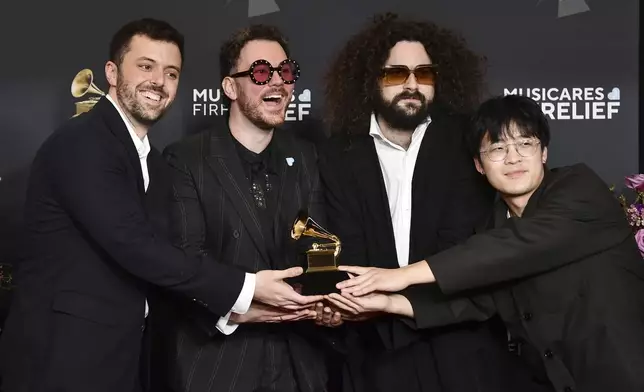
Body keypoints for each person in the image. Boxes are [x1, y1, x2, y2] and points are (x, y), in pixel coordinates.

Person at [0, 18, 322, 392]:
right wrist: (246, 287)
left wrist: (241, 311)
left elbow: (163, 264)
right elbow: (135, 246)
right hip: (63, 361)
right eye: (145, 66)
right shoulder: (83, 141)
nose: (159, 82)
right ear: (112, 72)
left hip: (124, 358)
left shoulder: (151, 160)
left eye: (171, 72)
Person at [332, 94, 644, 392]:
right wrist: (389, 303)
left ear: (544, 152)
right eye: (497, 149)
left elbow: (513, 247)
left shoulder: (580, 190)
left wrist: (399, 275)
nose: (513, 158)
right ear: (479, 165)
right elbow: (477, 299)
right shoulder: (491, 224)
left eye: (525, 144)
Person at [318, 12, 541, 392]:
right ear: (371, 79)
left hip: (463, 346)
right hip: (374, 353)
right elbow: (341, 246)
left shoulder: (471, 142)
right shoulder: (337, 155)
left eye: (423, 74)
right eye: (395, 74)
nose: (411, 85)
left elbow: (472, 249)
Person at [151, 24, 337, 392]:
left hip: (300, 365)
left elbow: (318, 245)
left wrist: (325, 299)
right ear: (230, 87)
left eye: (285, 72)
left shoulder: (304, 156)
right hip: (221, 365)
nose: (279, 83)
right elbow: (184, 265)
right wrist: (245, 308)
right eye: (262, 72)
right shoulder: (186, 159)